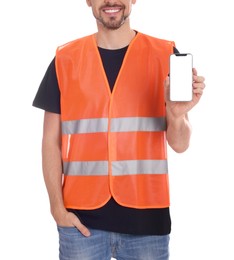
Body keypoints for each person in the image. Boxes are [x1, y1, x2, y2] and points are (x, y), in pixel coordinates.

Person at [33, 0, 205, 259]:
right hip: (81, 223)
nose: (111, 1)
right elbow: (50, 141)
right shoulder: (64, 59)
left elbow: (180, 144)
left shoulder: (164, 53)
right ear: (89, 1)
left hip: (148, 225)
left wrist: (176, 115)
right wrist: (57, 209)